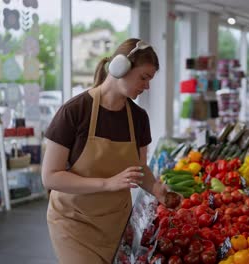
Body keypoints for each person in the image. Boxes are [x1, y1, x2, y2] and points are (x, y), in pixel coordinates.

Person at [42, 38, 168, 264]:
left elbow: (139, 168)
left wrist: (155, 188)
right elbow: (50, 176)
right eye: (144, 77)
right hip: (73, 223)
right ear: (121, 68)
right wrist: (107, 183)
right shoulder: (75, 111)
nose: (147, 86)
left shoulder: (139, 119)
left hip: (116, 225)